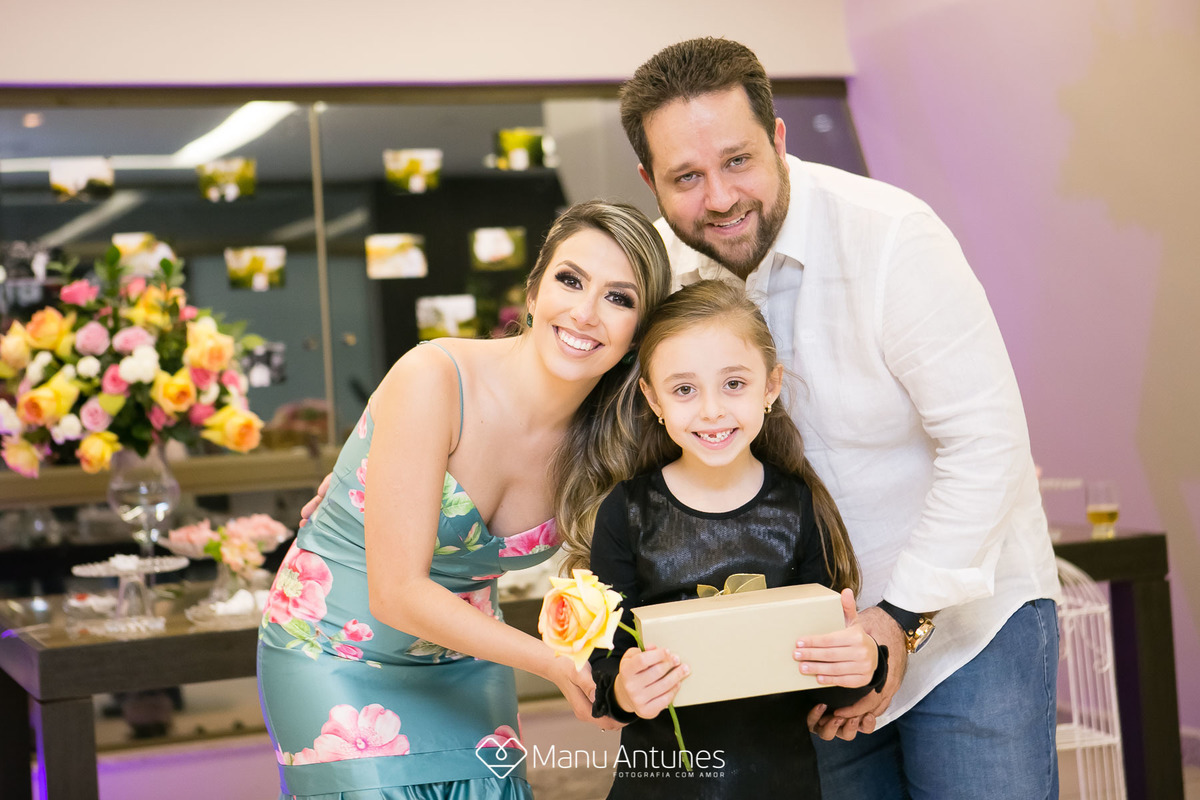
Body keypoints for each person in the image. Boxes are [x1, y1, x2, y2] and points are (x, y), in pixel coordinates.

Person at [617, 37, 1061, 799]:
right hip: (806, 647)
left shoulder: (892, 237)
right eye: (686, 177)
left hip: (965, 625)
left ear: (778, 139)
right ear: (648, 180)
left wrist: (899, 618)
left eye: (738, 161)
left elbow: (986, 443)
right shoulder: (655, 270)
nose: (719, 198)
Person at [257, 200, 672, 800]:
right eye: (570, 279)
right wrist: (555, 664)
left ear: (638, 333)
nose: (585, 313)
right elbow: (396, 591)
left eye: (619, 298)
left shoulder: (613, 443)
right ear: (533, 291)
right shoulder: (434, 377)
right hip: (331, 650)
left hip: (465, 658)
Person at [584, 279, 888, 798]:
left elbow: (828, 686)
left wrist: (864, 664)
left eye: (733, 384)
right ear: (653, 398)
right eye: (684, 389)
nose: (711, 410)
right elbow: (604, 670)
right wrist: (625, 690)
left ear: (770, 386)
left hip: (781, 786)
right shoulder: (626, 512)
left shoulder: (798, 506)